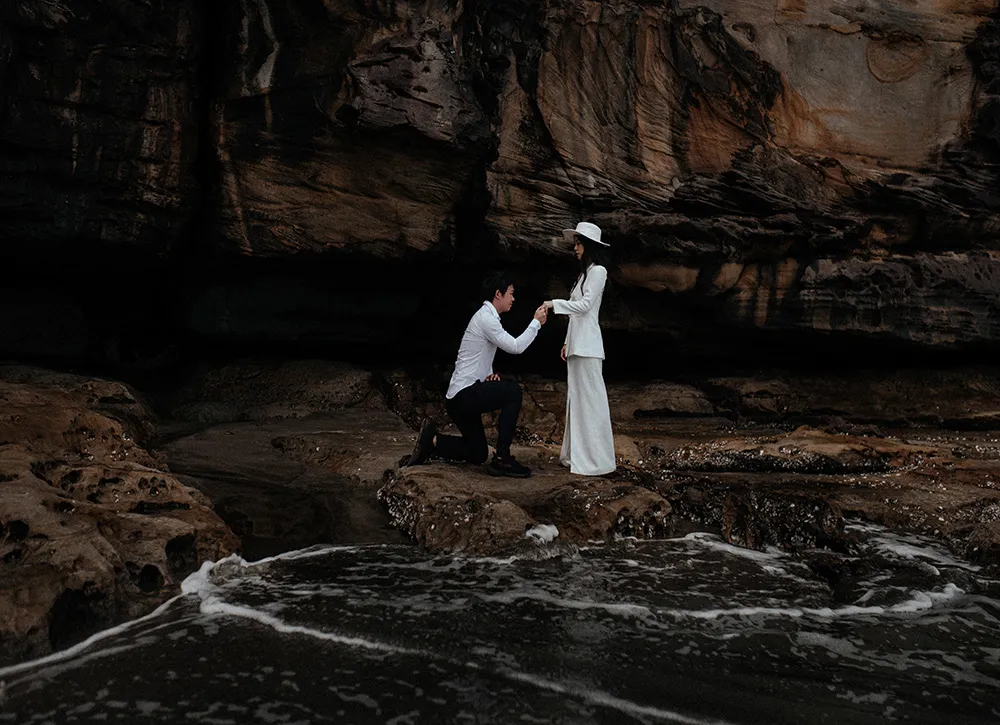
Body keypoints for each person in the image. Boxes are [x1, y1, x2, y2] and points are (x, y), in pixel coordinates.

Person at [407, 272, 548, 477]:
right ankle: (502, 458)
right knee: (513, 392)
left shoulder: (486, 317)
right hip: (464, 395)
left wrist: (487, 376)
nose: (513, 299)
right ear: (498, 294)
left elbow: (477, 356)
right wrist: (536, 323)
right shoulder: (486, 318)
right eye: (511, 293)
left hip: (457, 397)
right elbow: (516, 347)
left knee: (478, 453)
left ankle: (434, 441)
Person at [543, 221, 616, 476]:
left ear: (590, 246)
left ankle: (598, 460)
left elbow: (585, 307)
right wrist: (566, 341)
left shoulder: (599, 272)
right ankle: (577, 455)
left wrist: (554, 304)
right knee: (577, 400)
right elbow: (578, 315)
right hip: (578, 345)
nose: (575, 248)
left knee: (591, 402)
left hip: (589, 347)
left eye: (578, 243)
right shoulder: (583, 275)